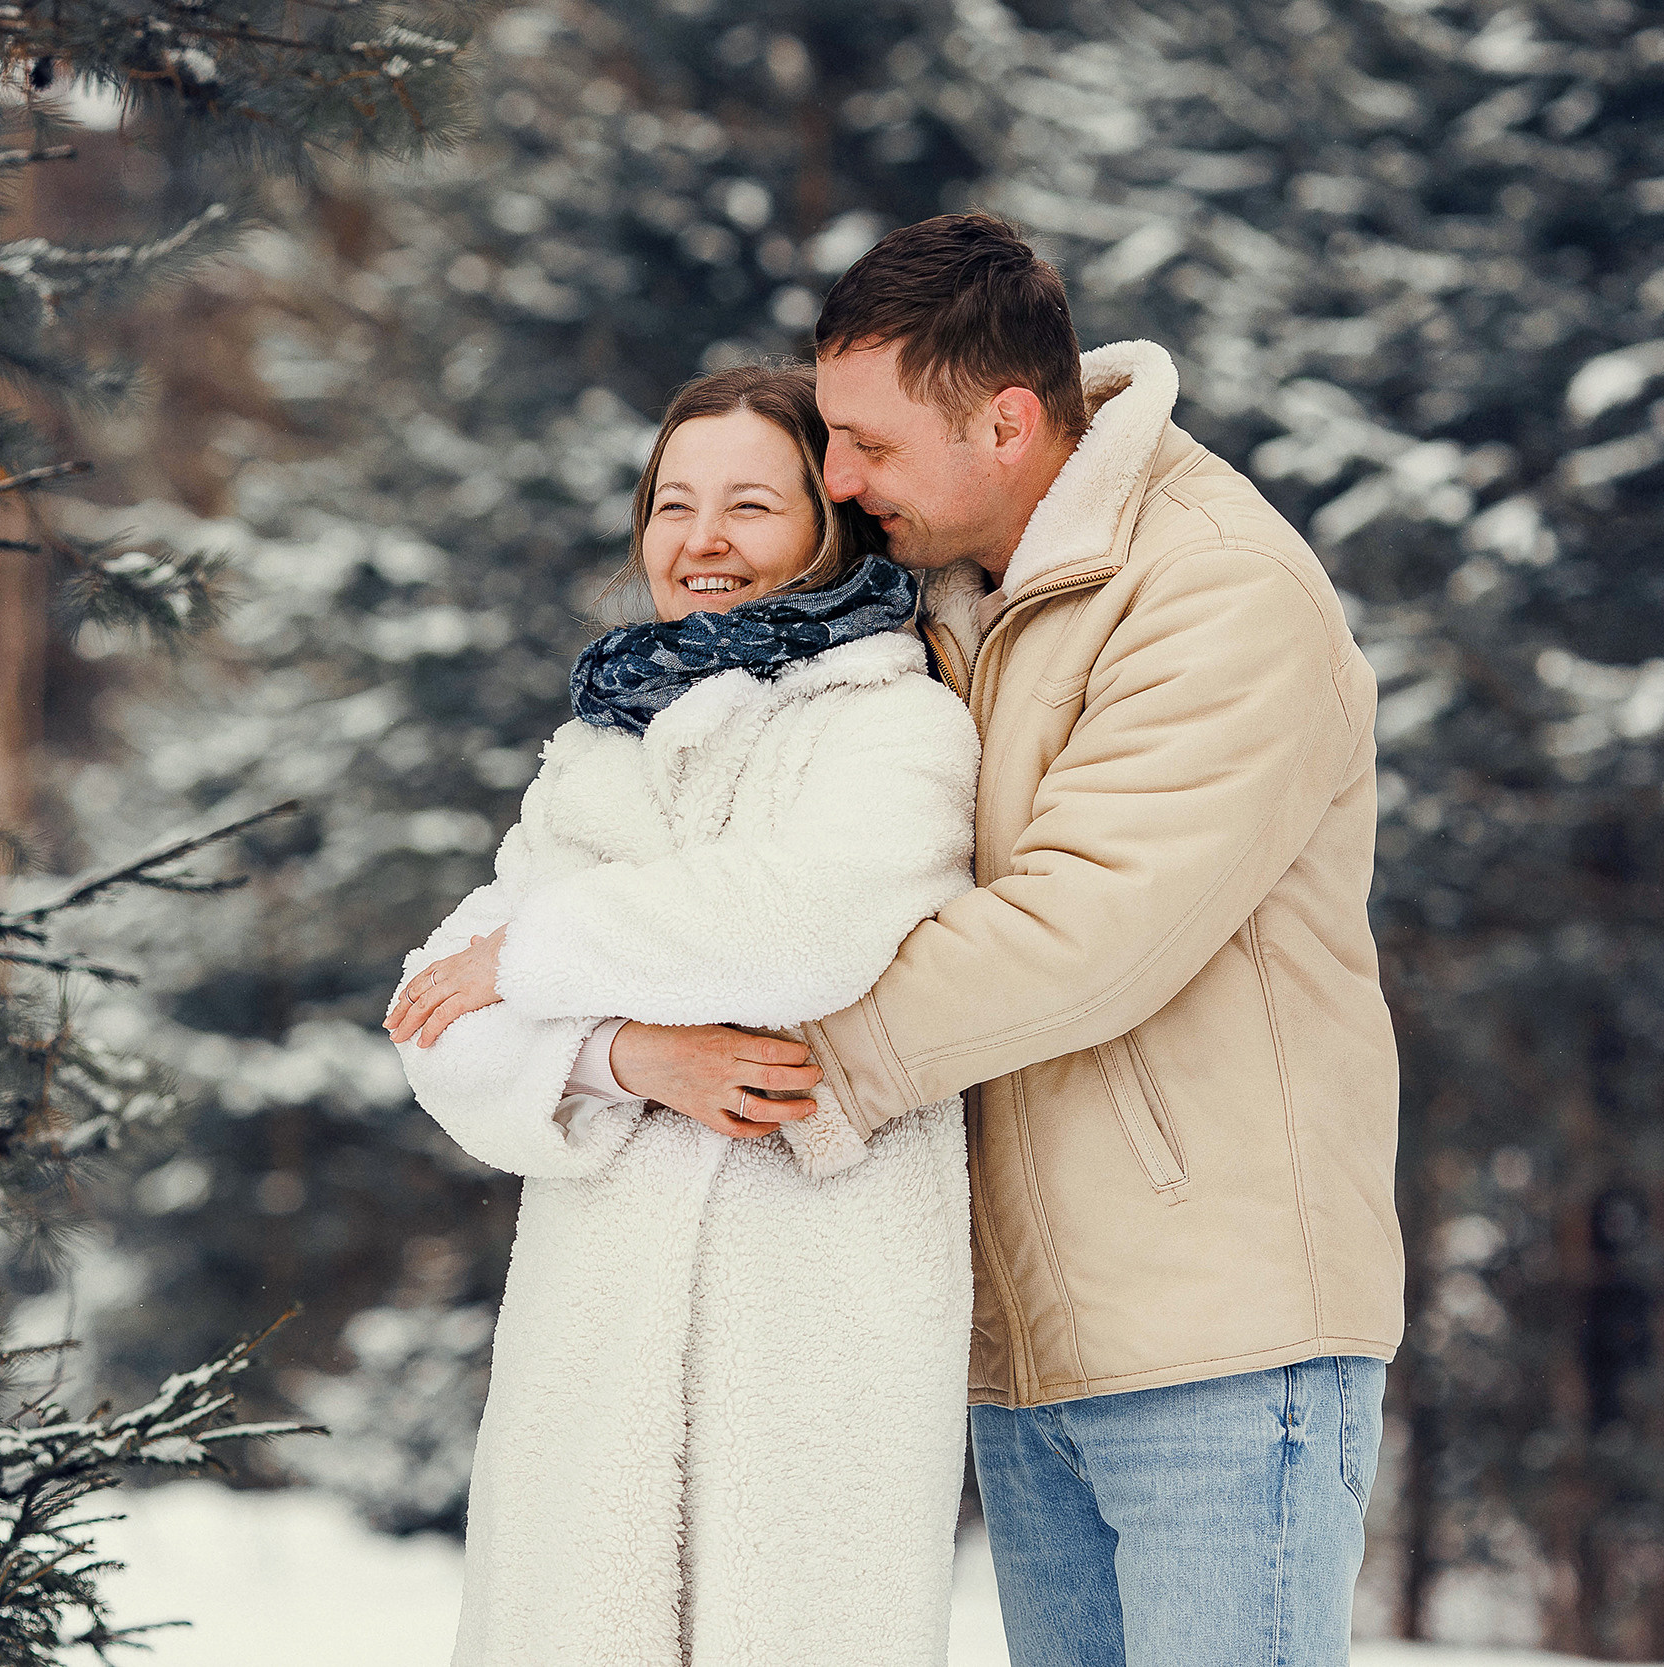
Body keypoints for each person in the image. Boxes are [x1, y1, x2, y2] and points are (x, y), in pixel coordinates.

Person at [603, 215, 1407, 1666]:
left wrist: (783, 1070)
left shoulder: (1215, 589)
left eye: (866, 445)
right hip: (1028, 1344)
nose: (836, 480)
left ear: (1011, 421)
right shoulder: (955, 596)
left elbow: (1087, 931)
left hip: (1219, 1340)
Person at [383, 364, 980, 1667]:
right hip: (592, 1344)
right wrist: (623, 1054)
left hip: (813, 1324)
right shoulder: (602, 744)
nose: (700, 541)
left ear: (829, 524)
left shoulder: (895, 725)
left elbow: (794, 926)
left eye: (749, 506)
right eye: (673, 503)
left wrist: (535, 953)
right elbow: (436, 1014)